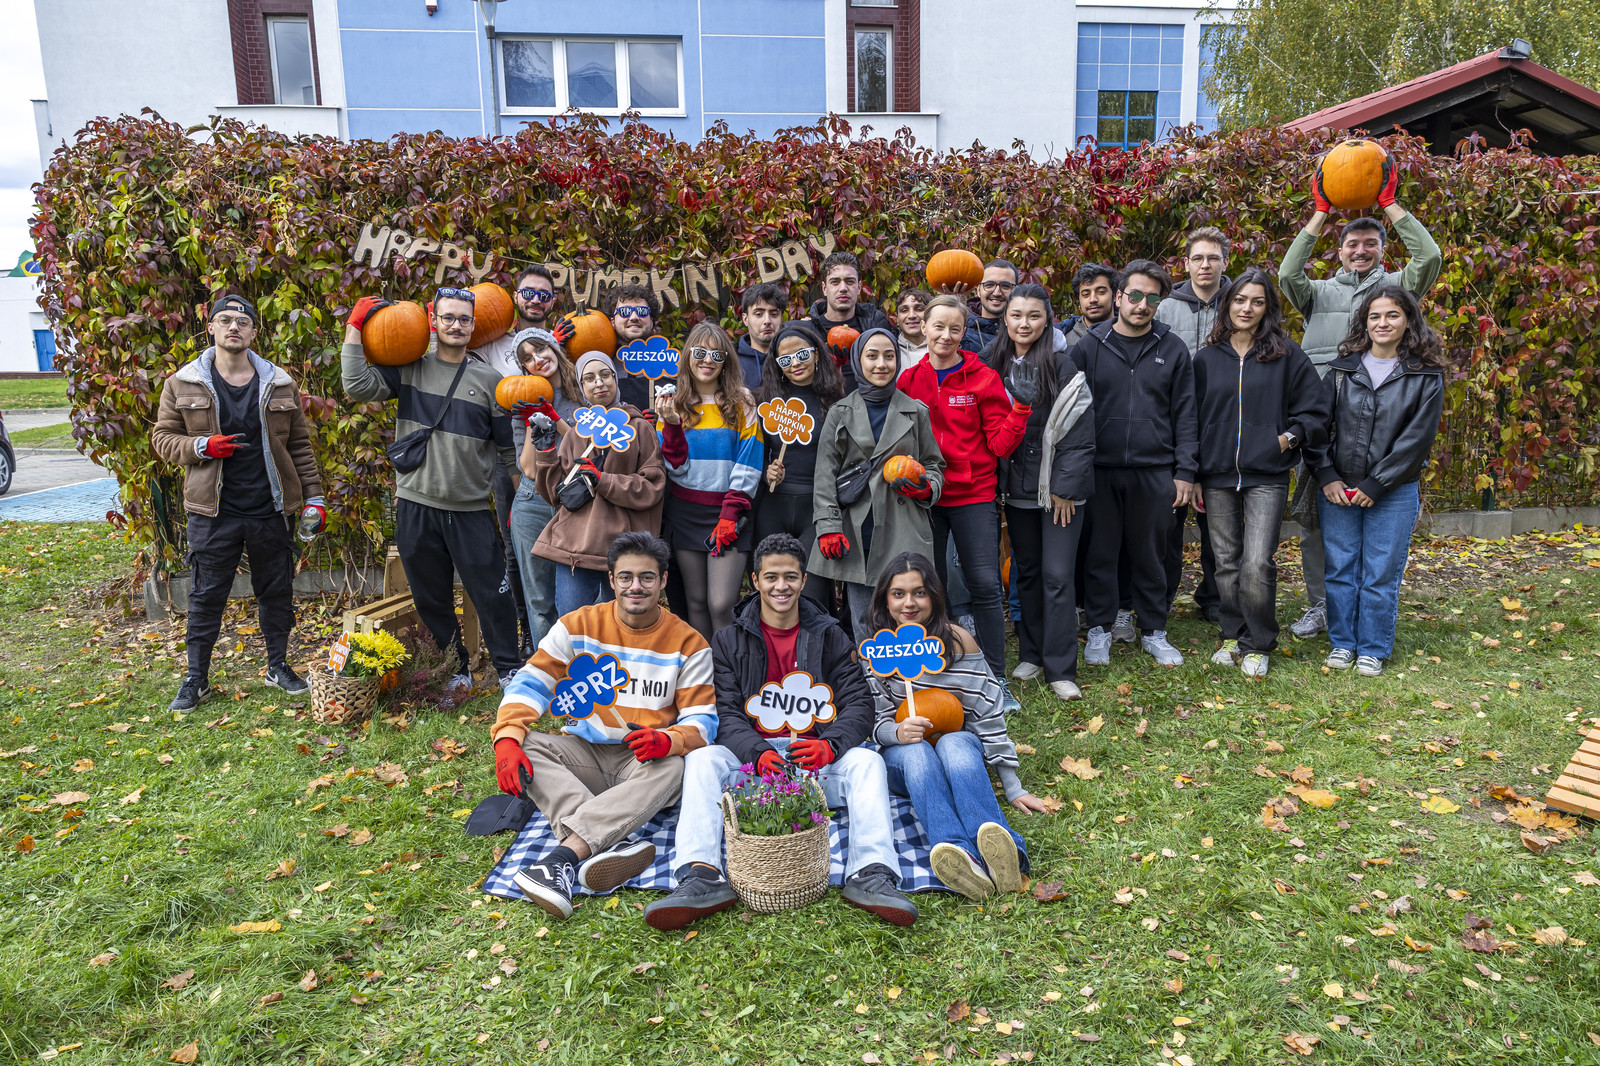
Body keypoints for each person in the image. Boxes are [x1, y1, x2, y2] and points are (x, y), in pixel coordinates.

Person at [643, 533, 917, 930]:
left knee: (867, 762)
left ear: (804, 580)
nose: (781, 586)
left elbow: (859, 703)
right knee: (702, 759)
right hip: (753, 763)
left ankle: (871, 873)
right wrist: (756, 753)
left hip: (814, 761)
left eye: (790, 576)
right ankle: (700, 875)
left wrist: (831, 745)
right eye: (771, 577)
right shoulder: (727, 639)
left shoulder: (830, 635)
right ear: (755, 580)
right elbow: (725, 712)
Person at [492, 532, 716, 919]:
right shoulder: (577, 626)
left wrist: (669, 740)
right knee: (524, 744)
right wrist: (507, 738)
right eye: (625, 577)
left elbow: (703, 721)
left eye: (647, 577)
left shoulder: (689, 643)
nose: (635, 586)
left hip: (643, 763)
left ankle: (560, 859)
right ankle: (606, 844)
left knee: (678, 768)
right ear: (611, 580)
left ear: (663, 580)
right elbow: (531, 683)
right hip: (584, 753)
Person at [1279, 163, 1442, 639]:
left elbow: (1429, 256)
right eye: (1352, 243)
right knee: (1316, 520)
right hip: (1321, 429)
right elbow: (1288, 272)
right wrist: (1320, 211)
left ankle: (1368, 613)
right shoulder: (1319, 294)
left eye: (1371, 243)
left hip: (1380, 428)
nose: (1361, 250)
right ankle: (1322, 605)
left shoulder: (1397, 290)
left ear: (1383, 250)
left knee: (1376, 520)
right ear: (1340, 250)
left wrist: (1389, 203)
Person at [341, 289, 524, 688]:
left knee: (493, 594)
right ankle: (455, 669)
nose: (456, 325)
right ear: (433, 322)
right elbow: (356, 384)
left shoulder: (490, 381)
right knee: (431, 597)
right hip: (416, 505)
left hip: (470, 509)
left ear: (473, 326)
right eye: (448, 318)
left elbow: (509, 450)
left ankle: (509, 668)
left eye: (464, 319)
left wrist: (521, 501)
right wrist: (355, 326)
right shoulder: (409, 369)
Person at [151, 295, 326, 710]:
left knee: (276, 591)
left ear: (253, 332)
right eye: (225, 320)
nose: (234, 327)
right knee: (206, 595)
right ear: (210, 327)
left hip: (271, 508)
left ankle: (277, 666)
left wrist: (314, 497)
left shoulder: (279, 383)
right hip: (214, 511)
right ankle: (196, 678)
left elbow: (299, 446)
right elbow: (162, 438)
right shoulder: (183, 383)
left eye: (242, 322)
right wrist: (201, 446)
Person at [865, 553, 1053, 899]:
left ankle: (1005, 852)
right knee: (918, 752)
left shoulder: (957, 641)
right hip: (904, 759)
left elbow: (987, 712)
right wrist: (897, 732)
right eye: (898, 594)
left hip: (957, 746)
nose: (909, 603)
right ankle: (955, 852)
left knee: (953, 742)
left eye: (920, 592)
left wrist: (1013, 786)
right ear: (885, 599)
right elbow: (874, 722)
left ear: (935, 596)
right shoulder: (876, 650)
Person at [1192, 269, 1329, 678]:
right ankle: (1231, 634)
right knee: (1225, 562)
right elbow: (1189, 419)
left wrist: (1285, 439)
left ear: (1268, 307)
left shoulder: (1288, 355)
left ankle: (1258, 642)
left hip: (1267, 475)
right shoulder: (1206, 359)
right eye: (1239, 300)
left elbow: (1316, 411)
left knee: (1256, 563)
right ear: (1227, 304)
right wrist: (1193, 473)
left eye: (1257, 301)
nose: (1246, 308)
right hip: (1216, 475)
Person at [897, 294, 1031, 702]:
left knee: (985, 585)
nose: (946, 335)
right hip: (926, 498)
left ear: (963, 332)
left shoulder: (982, 378)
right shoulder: (908, 381)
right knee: (930, 588)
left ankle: (996, 677)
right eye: (938, 326)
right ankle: (944, 670)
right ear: (924, 327)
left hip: (973, 494)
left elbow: (1000, 445)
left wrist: (1021, 409)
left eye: (955, 328)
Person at [1308, 285, 1445, 678]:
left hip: (1393, 490)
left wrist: (1377, 484)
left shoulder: (1425, 375)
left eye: (1392, 315)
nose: (1383, 323)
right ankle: (1342, 643)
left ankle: (1371, 648)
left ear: (1408, 321)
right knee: (1339, 569)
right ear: (1364, 323)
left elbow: (1417, 439)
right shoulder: (1341, 371)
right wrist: (1327, 475)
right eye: (1375, 316)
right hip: (1338, 488)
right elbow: (1316, 427)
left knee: (1381, 572)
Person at [1068, 260, 1197, 668]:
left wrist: (1185, 472)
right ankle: (1100, 629)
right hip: (1100, 470)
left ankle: (1154, 630)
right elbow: (1070, 411)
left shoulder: (1172, 348)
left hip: (1155, 469)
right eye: (1136, 296)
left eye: (1152, 299)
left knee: (1152, 554)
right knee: (1100, 553)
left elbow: (1186, 414)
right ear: (1120, 297)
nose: (1142, 305)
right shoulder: (1088, 347)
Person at [984, 284, 1095, 701]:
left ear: (1047, 319)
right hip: (1016, 489)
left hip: (1057, 493)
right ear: (1005, 319)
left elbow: (1080, 429)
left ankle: (1061, 668)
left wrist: (1065, 487)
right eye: (1016, 315)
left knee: (1057, 576)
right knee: (1027, 573)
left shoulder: (1063, 364)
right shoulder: (991, 363)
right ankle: (1031, 652)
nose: (1024, 323)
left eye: (1034, 315)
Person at [811, 327, 945, 635]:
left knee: (910, 607)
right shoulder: (840, 412)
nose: (881, 364)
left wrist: (927, 487)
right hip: (859, 526)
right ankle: (869, 668)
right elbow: (825, 474)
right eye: (872, 356)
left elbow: (934, 464)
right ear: (859, 361)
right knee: (864, 615)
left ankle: (912, 665)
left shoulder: (915, 411)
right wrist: (828, 526)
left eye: (889, 356)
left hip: (903, 522)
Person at [531, 351, 666, 615]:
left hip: (625, 549)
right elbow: (556, 494)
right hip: (577, 547)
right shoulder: (576, 433)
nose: (599, 383)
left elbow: (653, 487)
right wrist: (545, 452)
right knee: (572, 625)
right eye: (589, 378)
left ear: (615, 379)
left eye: (605, 375)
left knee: (622, 626)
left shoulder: (639, 428)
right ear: (581, 386)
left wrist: (604, 480)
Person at [473, 266, 565, 653]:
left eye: (544, 294)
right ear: (516, 296)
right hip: (507, 451)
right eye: (529, 292)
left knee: (566, 546)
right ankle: (529, 631)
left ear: (552, 301)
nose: (535, 300)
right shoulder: (494, 343)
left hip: (561, 459)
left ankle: (567, 634)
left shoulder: (562, 343)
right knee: (517, 547)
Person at [658, 322, 764, 638]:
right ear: (688, 356)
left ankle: (728, 666)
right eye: (700, 352)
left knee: (721, 603)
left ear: (725, 360)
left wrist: (731, 513)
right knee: (696, 601)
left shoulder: (742, 401)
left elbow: (749, 462)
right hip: (686, 512)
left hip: (728, 512)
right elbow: (674, 468)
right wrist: (672, 425)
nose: (708, 360)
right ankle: (704, 667)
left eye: (717, 354)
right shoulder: (673, 402)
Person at [1155, 228, 1232, 624]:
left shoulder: (1238, 304)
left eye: (1213, 258)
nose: (1205, 265)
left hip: (1223, 428)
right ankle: (1161, 596)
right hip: (1173, 429)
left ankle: (1215, 598)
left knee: (1218, 523)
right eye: (1198, 258)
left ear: (1225, 262)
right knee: (1166, 523)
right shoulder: (1166, 307)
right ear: (1185, 264)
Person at [754, 321, 844, 609]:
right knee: (774, 590)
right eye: (786, 360)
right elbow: (752, 452)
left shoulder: (836, 401)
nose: (795, 364)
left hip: (817, 508)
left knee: (812, 591)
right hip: (773, 503)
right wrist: (765, 470)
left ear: (816, 354)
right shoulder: (765, 401)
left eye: (802, 355)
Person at [505, 328, 584, 649]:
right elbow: (528, 468)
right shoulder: (521, 399)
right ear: (524, 368)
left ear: (554, 347)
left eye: (540, 349)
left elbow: (586, 449)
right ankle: (547, 668)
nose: (537, 360)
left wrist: (556, 419)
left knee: (579, 595)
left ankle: (580, 665)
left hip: (576, 499)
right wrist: (531, 422)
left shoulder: (583, 389)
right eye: (528, 358)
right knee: (539, 598)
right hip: (533, 499)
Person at [806, 251, 891, 391]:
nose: (843, 288)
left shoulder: (875, 324)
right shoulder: (809, 331)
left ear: (859, 287)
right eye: (835, 282)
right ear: (824, 288)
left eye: (850, 281)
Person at [602, 284, 662, 411]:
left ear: (651, 321)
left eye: (642, 311)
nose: (634, 317)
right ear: (612, 322)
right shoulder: (601, 362)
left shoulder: (667, 363)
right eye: (625, 312)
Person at [960, 259, 1018, 354]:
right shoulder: (960, 328)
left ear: (1016, 291)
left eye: (1006, 286)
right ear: (978, 291)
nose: (997, 293)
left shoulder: (1025, 330)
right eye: (989, 285)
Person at [737, 282, 785, 391]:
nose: (767, 321)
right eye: (759, 314)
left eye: (774, 314)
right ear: (745, 319)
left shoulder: (792, 358)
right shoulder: (732, 361)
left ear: (781, 318)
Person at [894, 289, 931, 362]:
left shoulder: (942, 348)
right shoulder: (891, 351)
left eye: (919, 309)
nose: (911, 315)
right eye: (904, 310)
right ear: (897, 318)